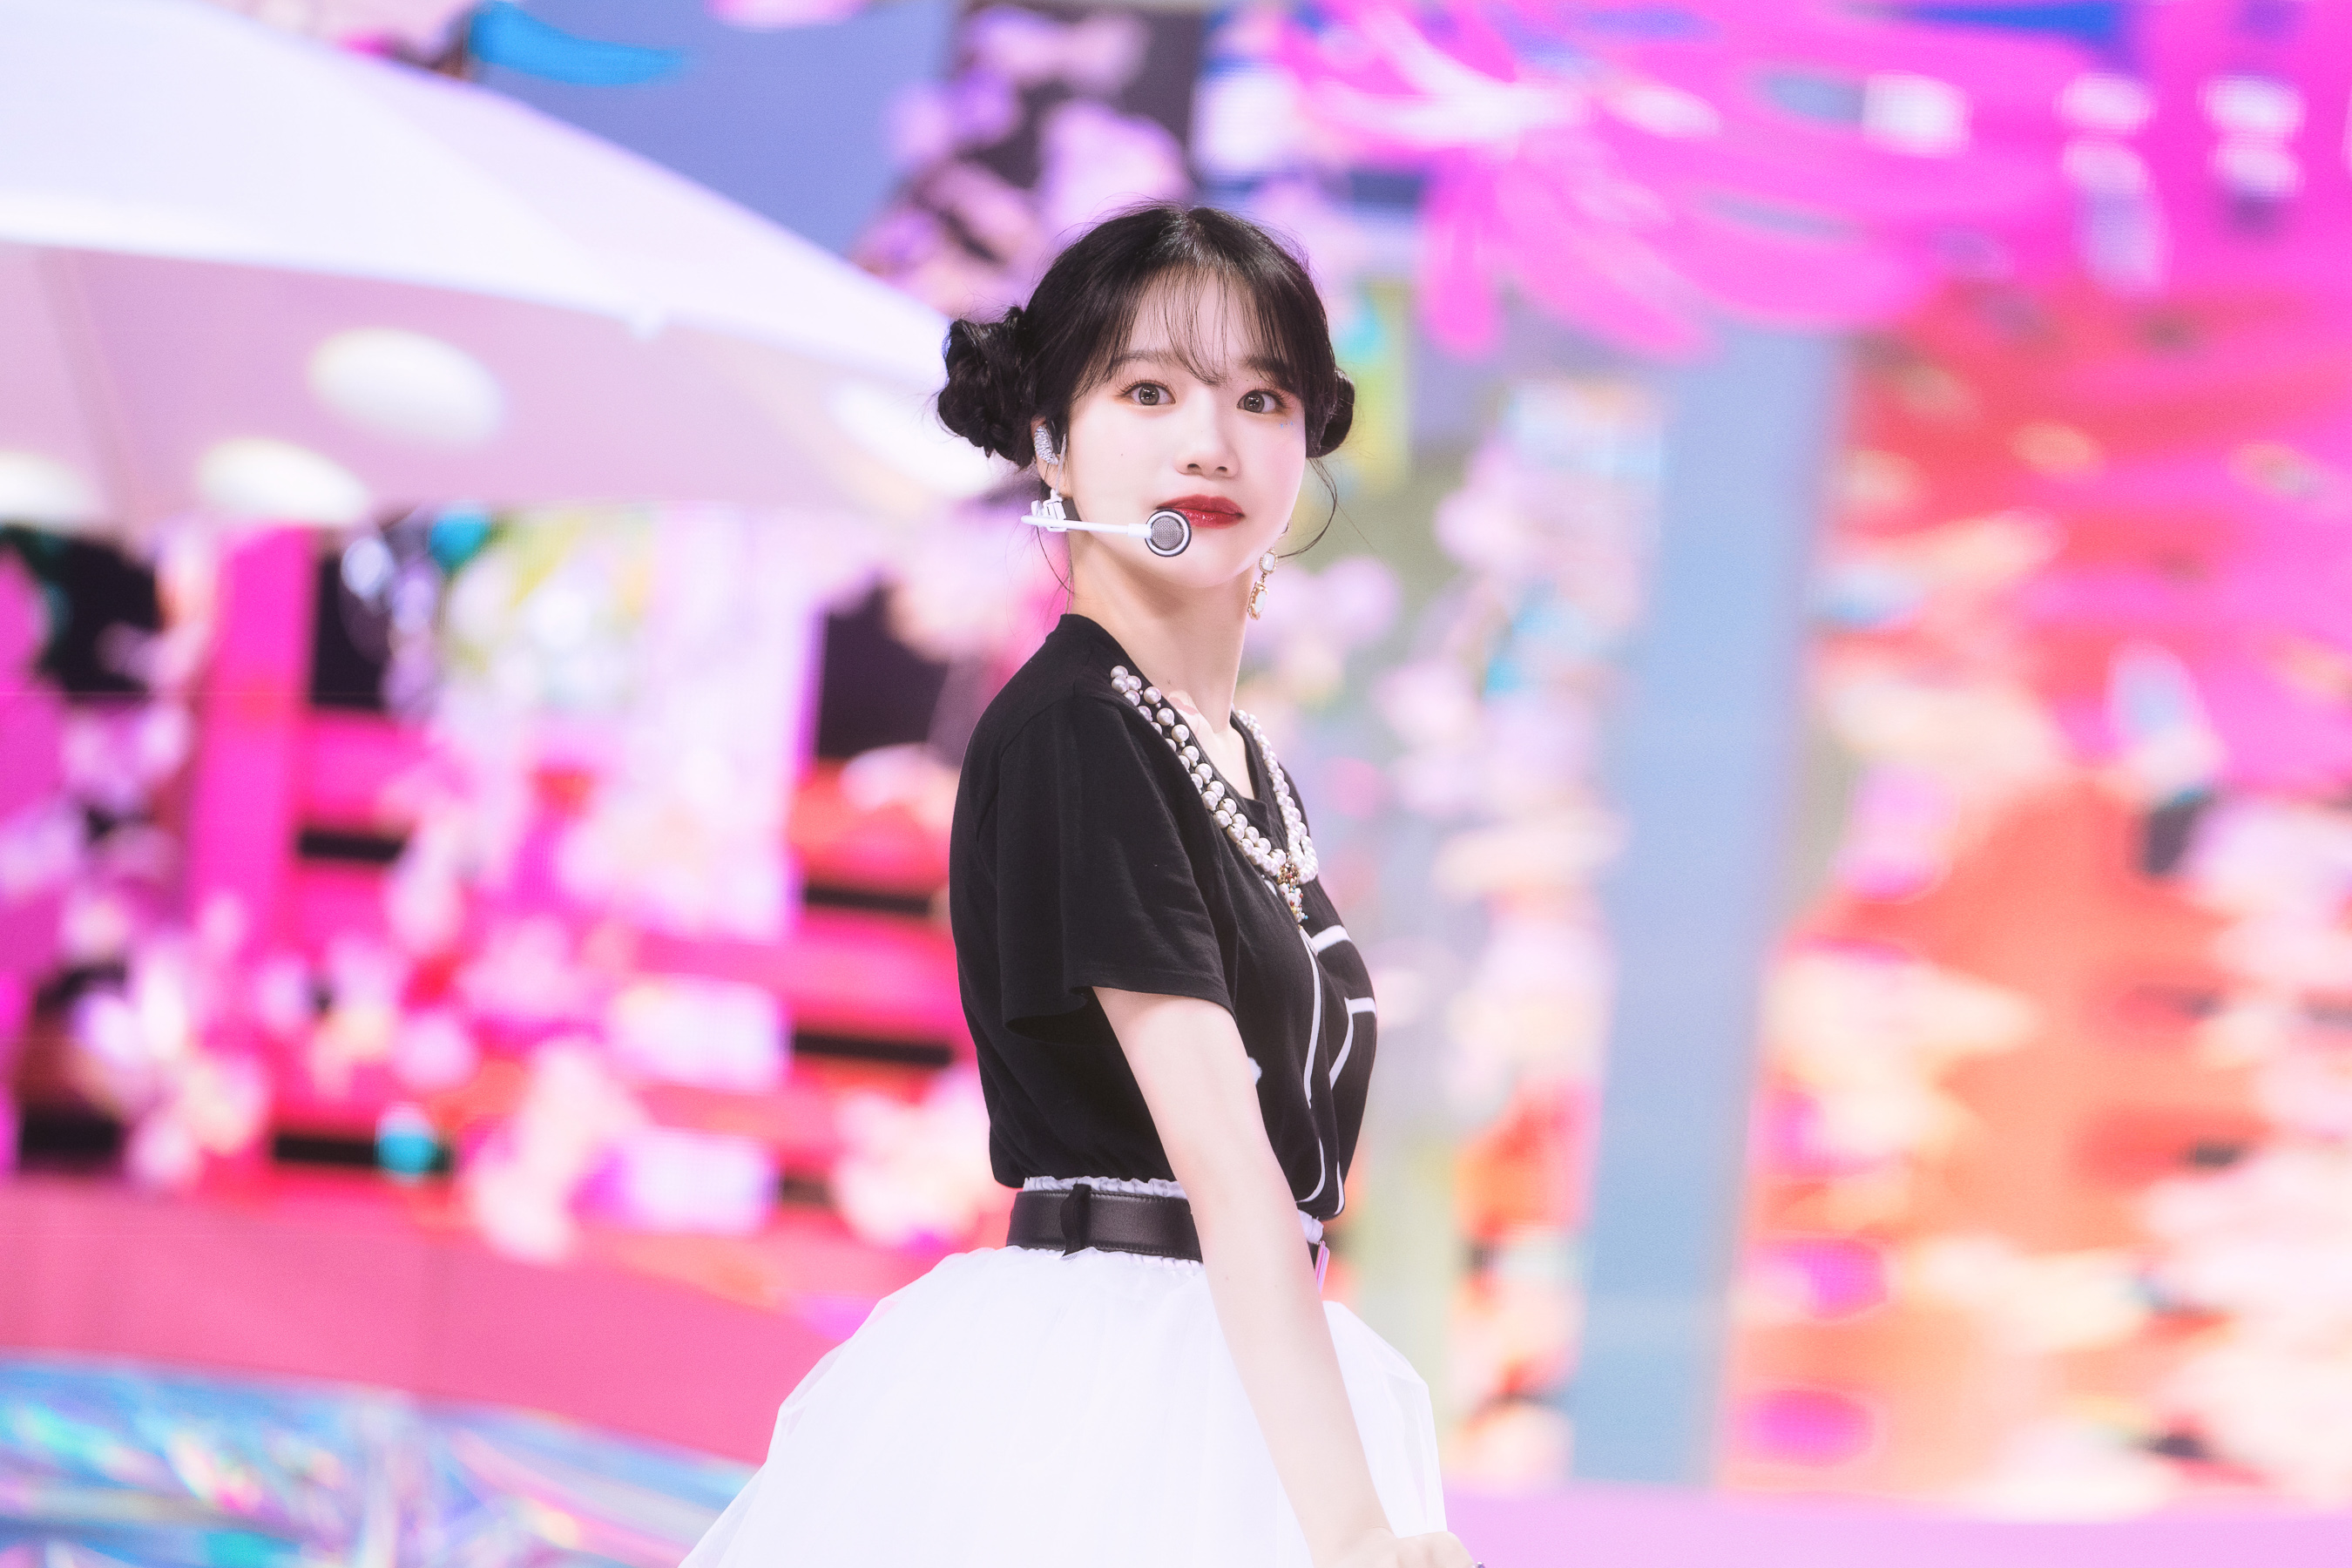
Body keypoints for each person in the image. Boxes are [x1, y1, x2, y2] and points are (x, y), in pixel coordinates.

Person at [681, 205, 1474, 1568]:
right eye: (1149, 392)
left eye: (1261, 398)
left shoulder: (1236, 757)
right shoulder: (1080, 731)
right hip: (1118, 1391)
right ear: (1052, 437)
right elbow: (1223, 1161)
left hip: (1245, 1366)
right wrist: (1353, 1534)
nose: (1209, 443)